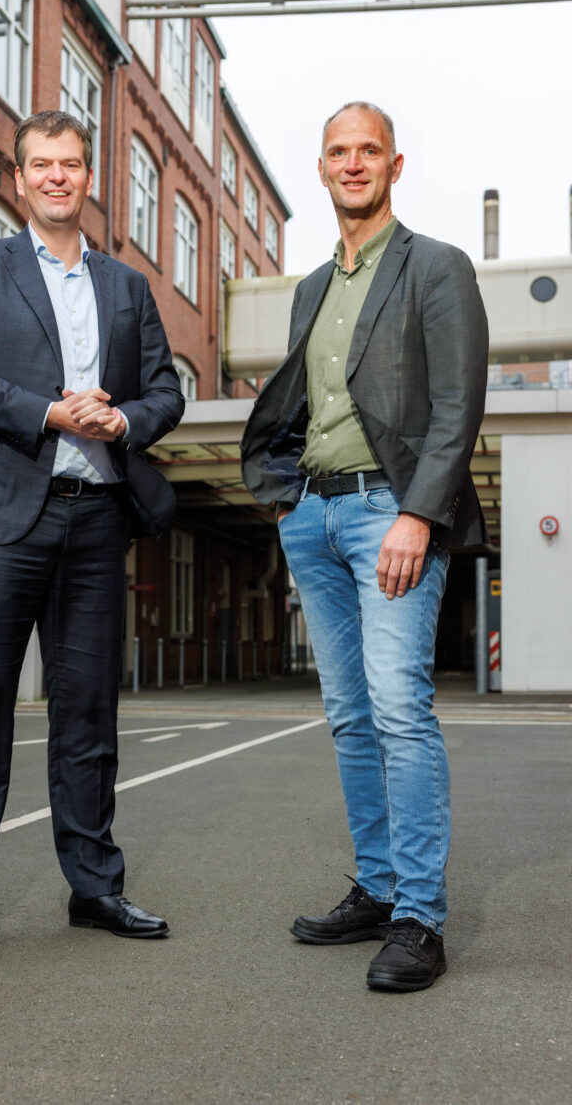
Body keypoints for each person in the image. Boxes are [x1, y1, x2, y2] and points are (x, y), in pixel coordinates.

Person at [0, 110, 184, 965]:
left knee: (89, 713)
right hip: (2, 520)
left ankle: (95, 886)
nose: (57, 177)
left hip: (97, 517)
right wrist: (49, 412)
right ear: (20, 176)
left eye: (71, 164)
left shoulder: (128, 287)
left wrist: (121, 419)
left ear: (89, 178)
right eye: (42, 165)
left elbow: (165, 392)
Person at [240, 101, 488, 992]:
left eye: (368, 150)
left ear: (394, 164)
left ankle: (420, 917)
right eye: (338, 152)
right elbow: (298, 406)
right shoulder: (312, 286)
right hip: (314, 515)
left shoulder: (436, 266)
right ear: (321, 168)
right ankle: (379, 888)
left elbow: (458, 403)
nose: (353, 163)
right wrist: (284, 502)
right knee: (349, 715)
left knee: (398, 710)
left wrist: (419, 513)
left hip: (392, 511)